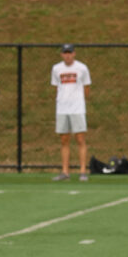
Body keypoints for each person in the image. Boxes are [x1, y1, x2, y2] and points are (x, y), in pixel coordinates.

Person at [50, 44, 91, 182]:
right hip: (62, 109)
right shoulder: (56, 68)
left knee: (80, 139)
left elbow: (86, 88)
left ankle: (83, 171)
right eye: (65, 53)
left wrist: (79, 102)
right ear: (62, 55)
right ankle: (65, 171)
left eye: (70, 52)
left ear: (74, 53)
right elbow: (56, 88)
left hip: (77, 108)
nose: (67, 55)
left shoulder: (82, 68)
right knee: (64, 140)